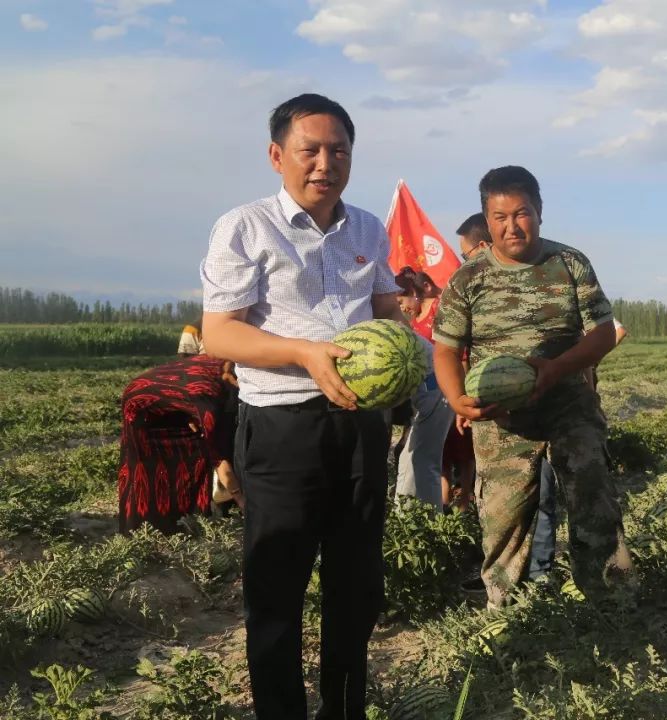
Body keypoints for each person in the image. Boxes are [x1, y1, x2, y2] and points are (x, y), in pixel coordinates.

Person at [200, 93, 404, 720]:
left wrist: (408, 331)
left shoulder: (369, 227)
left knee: (357, 588)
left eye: (338, 150)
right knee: (277, 594)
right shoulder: (245, 226)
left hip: (360, 429)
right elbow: (220, 334)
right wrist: (306, 353)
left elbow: (385, 309)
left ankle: (343, 711)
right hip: (283, 428)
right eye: (309, 150)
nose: (324, 162)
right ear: (276, 156)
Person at [433, 166, 635, 608]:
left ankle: (609, 606)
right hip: (501, 415)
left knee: (593, 500)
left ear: (539, 212)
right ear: (487, 222)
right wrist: (457, 401)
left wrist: (557, 368)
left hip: (569, 404)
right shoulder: (469, 278)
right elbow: (446, 349)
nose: (512, 226)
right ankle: (506, 612)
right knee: (504, 518)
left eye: (521, 213)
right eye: (500, 217)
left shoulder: (569, 262)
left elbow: (602, 332)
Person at [118, 355, 242, 533]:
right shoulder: (208, 399)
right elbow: (218, 457)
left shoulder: (222, 362)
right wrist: (240, 498)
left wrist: (190, 416)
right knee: (147, 467)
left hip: (154, 393)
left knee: (182, 452)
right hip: (141, 407)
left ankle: (178, 517)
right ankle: (152, 526)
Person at [394, 269, 455, 509]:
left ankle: (425, 521)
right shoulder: (412, 321)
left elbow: (454, 352)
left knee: (424, 460)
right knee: (411, 458)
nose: (402, 308)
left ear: (413, 294)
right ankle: (410, 516)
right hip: (423, 394)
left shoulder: (440, 311)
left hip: (439, 389)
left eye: (401, 301)